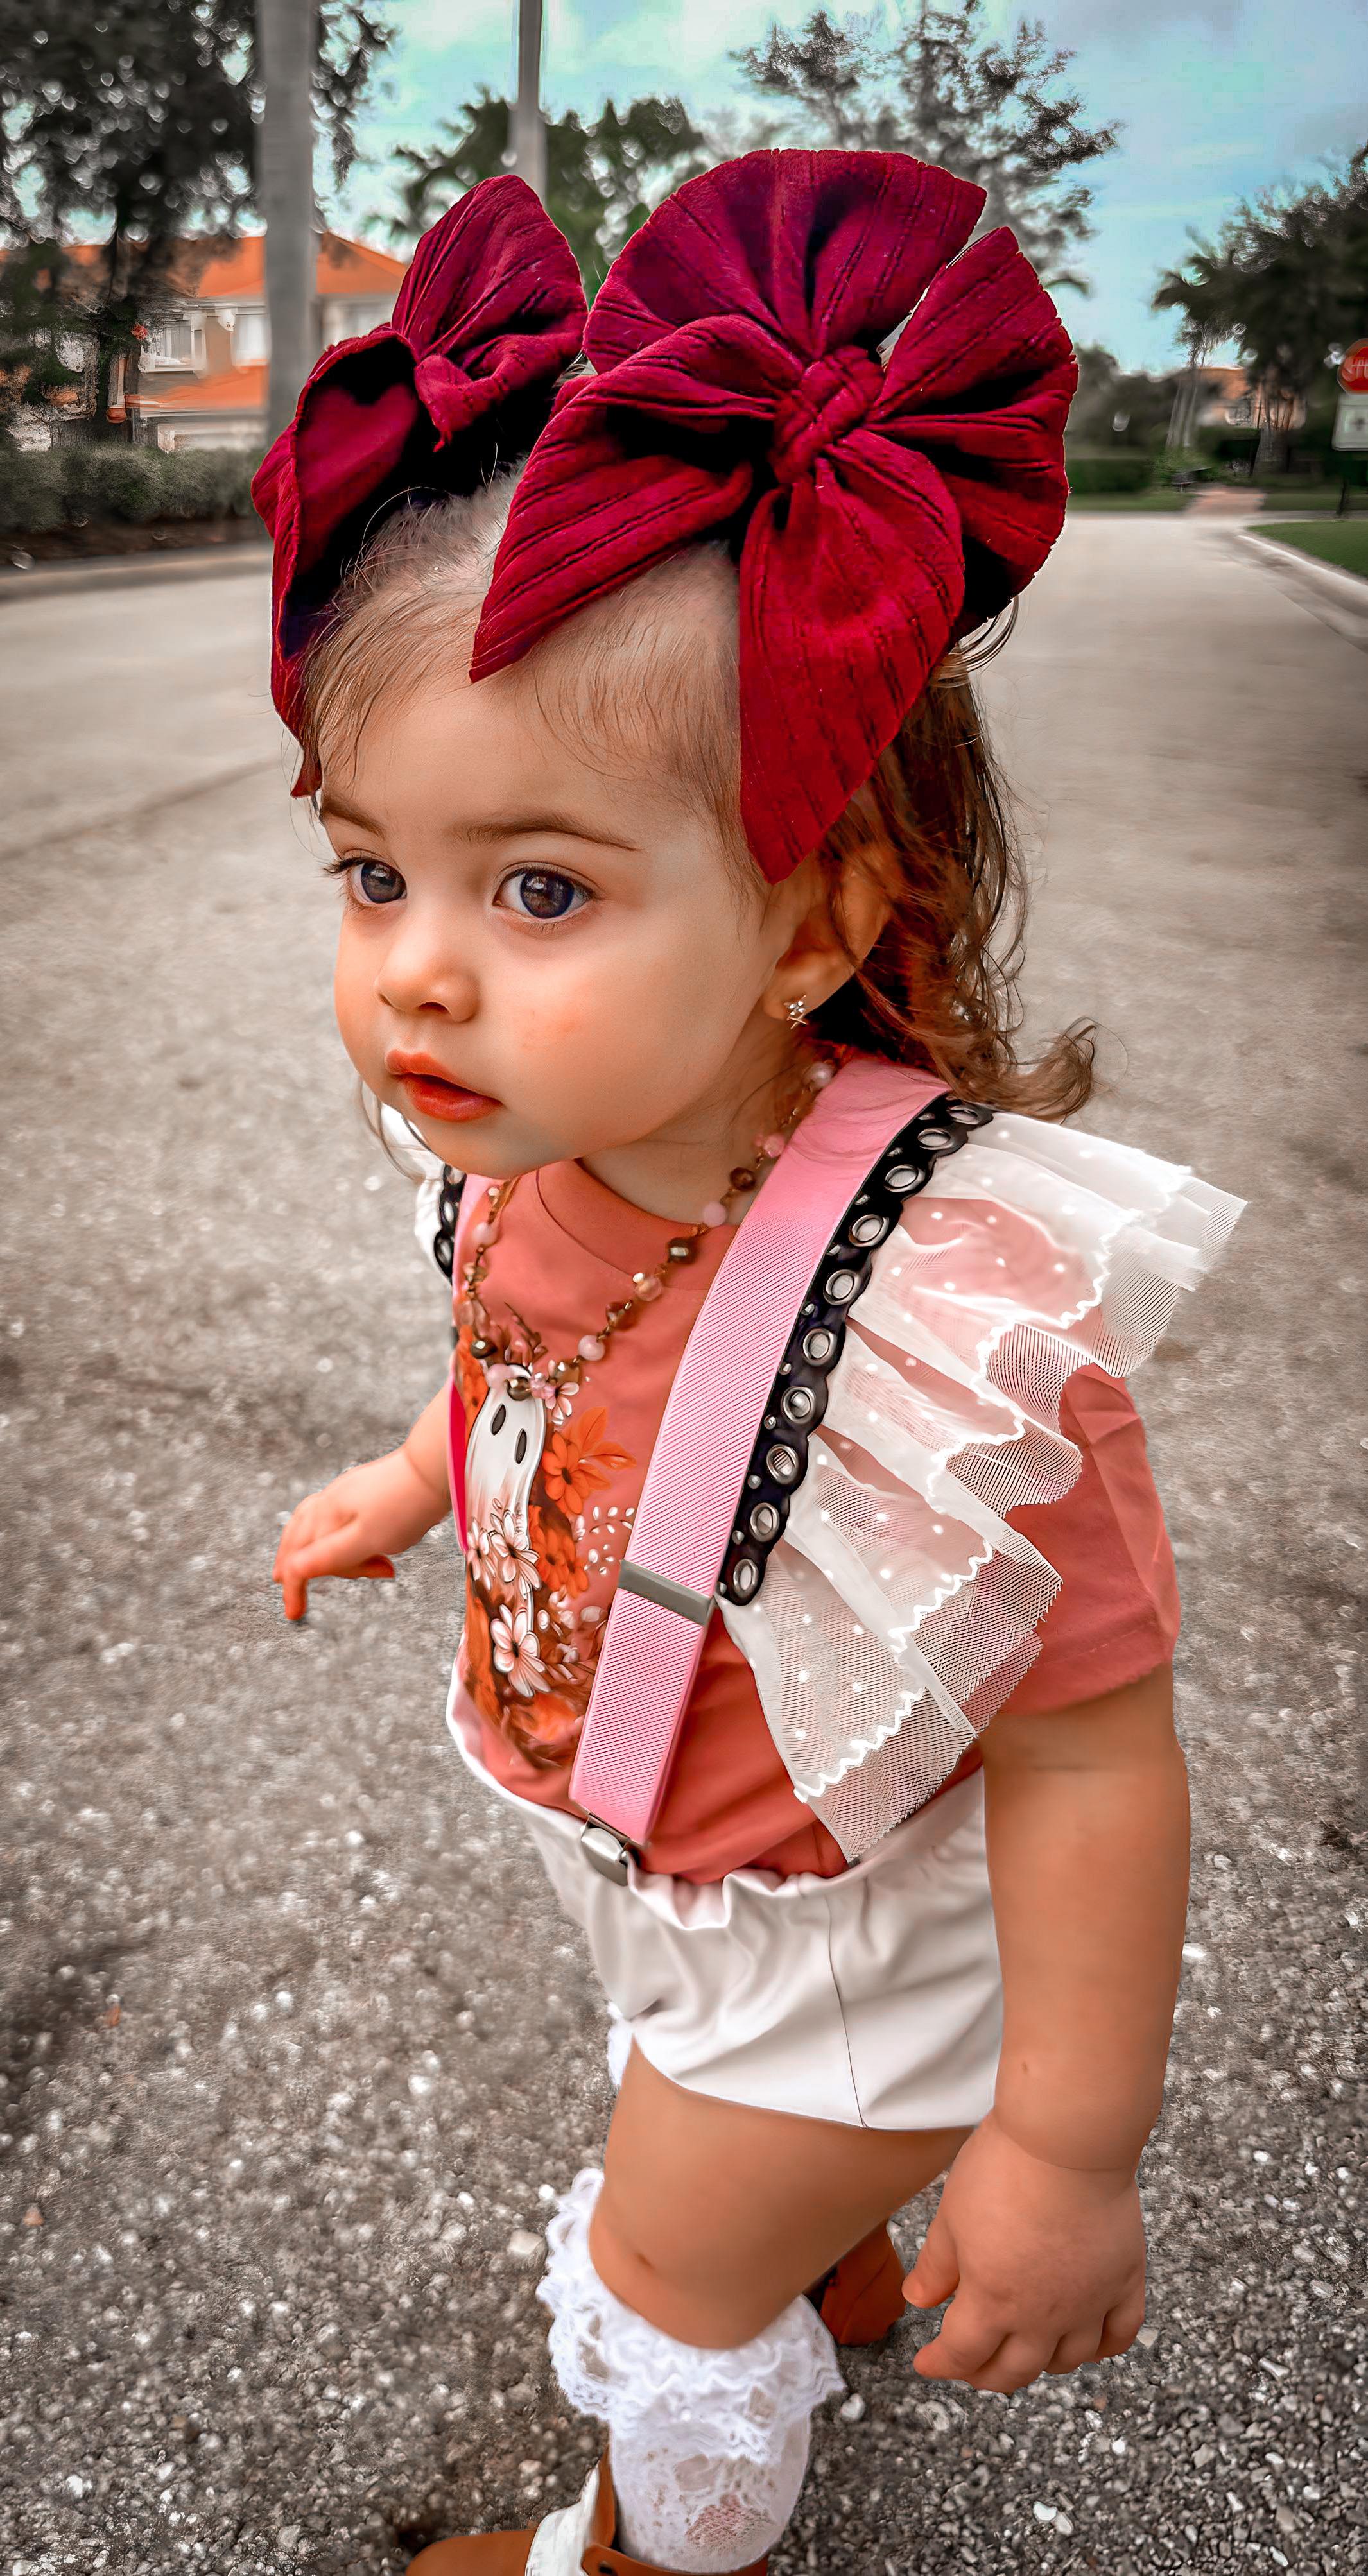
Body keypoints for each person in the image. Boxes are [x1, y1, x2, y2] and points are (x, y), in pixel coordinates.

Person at [259, 155, 1242, 2575]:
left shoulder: (948, 1315)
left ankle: (650, 2545)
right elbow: (517, 1353)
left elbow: (1099, 1749)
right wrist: (415, 1477)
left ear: (819, 920)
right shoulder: (536, 1139)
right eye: (372, 870)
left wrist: (1060, 2144)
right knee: (675, 2090)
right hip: (674, 1866)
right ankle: (824, 2234)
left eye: (541, 888)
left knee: (654, 2275)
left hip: (843, 1950)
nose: (414, 973)